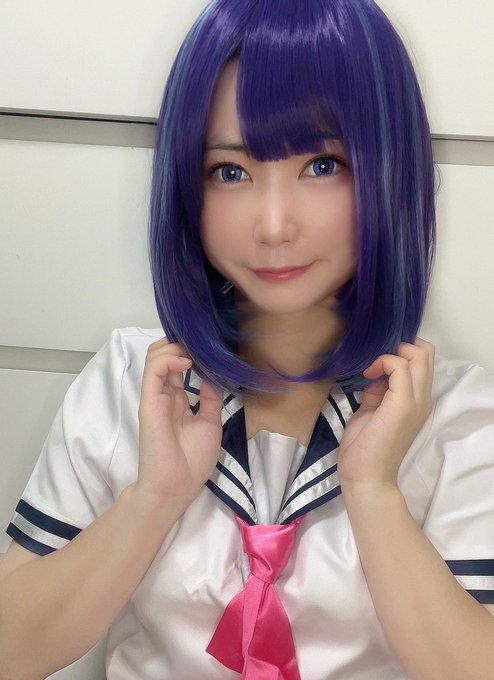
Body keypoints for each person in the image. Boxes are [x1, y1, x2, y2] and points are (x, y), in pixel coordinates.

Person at [1, 0, 493, 678]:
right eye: (230, 172)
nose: (273, 225)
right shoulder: (133, 383)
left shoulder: (455, 418)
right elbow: (12, 650)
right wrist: (153, 498)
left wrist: (374, 493)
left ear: (388, 172)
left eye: (322, 165)